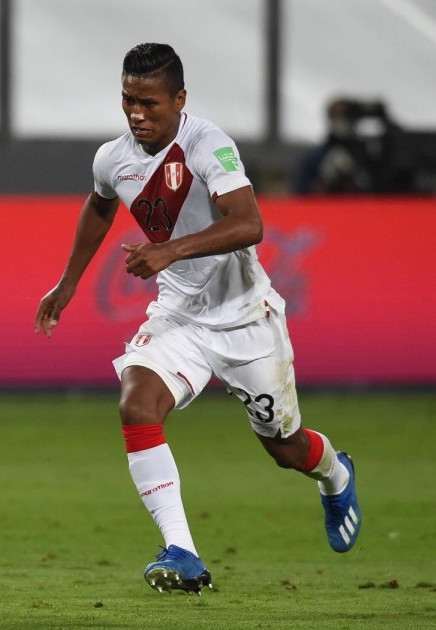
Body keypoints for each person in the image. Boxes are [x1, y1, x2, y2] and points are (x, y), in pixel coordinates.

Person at [34, 43, 361, 594]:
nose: (137, 114)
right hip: (180, 317)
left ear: (180, 99)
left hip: (246, 321)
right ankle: (182, 550)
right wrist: (68, 282)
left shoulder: (208, 144)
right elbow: (99, 205)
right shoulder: (112, 158)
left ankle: (336, 474)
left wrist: (169, 250)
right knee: (137, 403)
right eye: (127, 100)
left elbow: (249, 223)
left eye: (150, 103)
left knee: (285, 448)